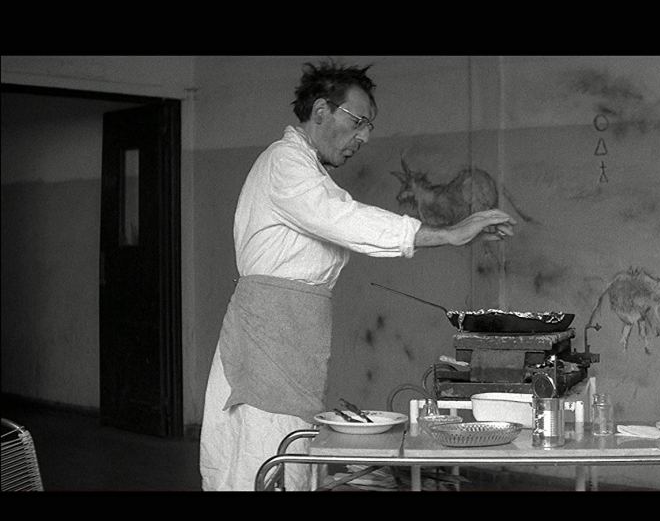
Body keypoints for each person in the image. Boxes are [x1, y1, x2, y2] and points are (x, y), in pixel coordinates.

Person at [199, 60, 516, 491]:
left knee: (283, 455)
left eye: (369, 126)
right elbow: (345, 219)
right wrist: (448, 234)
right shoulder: (284, 162)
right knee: (265, 457)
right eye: (358, 121)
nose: (364, 137)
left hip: (287, 335)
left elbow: (341, 219)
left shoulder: (308, 171)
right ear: (321, 111)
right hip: (266, 341)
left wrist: (450, 233)